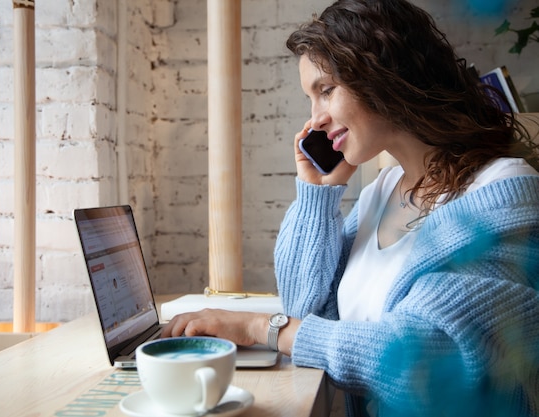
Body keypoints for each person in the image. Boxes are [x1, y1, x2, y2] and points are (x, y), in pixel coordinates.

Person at [162, 0, 539, 415]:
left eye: (325, 90)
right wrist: (319, 193)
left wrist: (257, 326)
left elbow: (419, 355)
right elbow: (304, 308)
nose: (315, 119)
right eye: (310, 97)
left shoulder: (505, 192)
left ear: (385, 76)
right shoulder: (381, 191)